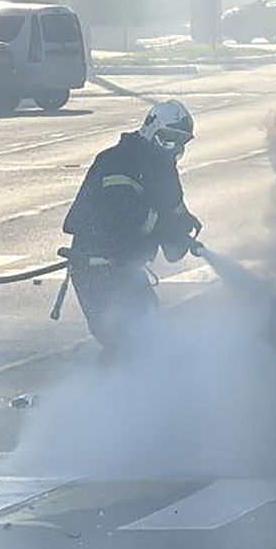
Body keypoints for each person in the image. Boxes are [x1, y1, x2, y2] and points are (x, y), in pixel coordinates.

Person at [61, 99, 203, 361]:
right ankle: (111, 385)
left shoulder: (163, 168)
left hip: (125, 266)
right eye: (167, 140)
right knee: (120, 336)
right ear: (150, 129)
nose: (173, 148)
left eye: (180, 143)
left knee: (146, 324)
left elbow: (173, 208)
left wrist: (184, 224)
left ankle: (142, 383)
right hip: (96, 265)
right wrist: (167, 228)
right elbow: (128, 217)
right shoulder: (118, 161)